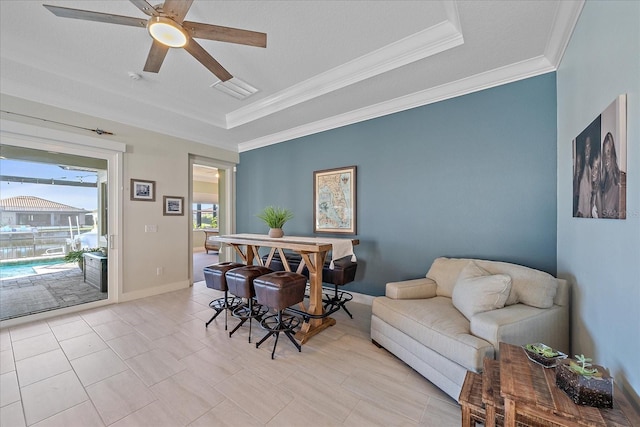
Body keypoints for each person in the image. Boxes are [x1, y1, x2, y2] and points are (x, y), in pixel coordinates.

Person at [601, 132, 624, 218]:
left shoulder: (619, 181)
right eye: (604, 153)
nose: (606, 157)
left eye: (608, 152)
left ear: (613, 154)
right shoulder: (604, 181)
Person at [577, 136, 592, 217]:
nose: (587, 149)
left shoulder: (592, 169)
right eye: (586, 146)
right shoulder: (581, 171)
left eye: (589, 146)